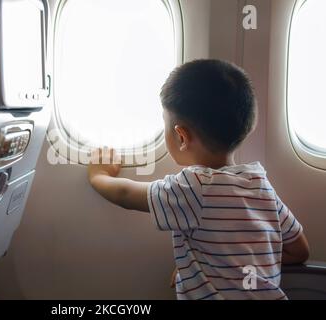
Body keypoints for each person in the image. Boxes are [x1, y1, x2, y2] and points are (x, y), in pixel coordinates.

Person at [87, 59, 309, 300]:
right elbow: (299, 251)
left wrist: (98, 174)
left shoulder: (193, 188)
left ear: (181, 136)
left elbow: (125, 195)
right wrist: (215, 267)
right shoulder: (260, 184)